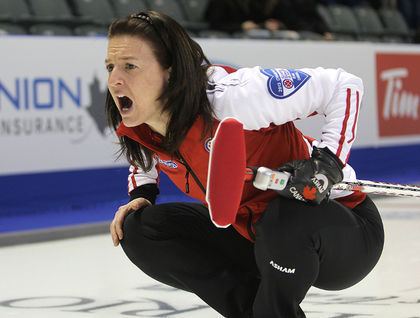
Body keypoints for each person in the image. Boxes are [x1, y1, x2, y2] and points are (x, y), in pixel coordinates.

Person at [106, 11, 384, 318]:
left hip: (343, 234)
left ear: (169, 71)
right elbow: (144, 156)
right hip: (254, 234)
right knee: (141, 229)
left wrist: (327, 164)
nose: (114, 80)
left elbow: (344, 86)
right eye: (111, 67)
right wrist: (142, 194)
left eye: (129, 66)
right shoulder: (139, 121)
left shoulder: (234, 98)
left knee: (282, 213)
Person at [204, 0, 289, 34]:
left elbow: (256, 20)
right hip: (225, 36)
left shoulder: (252, 3)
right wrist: (240, 26)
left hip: (248, 35)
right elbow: (214, 24)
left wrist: (266, 24)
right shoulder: (220, 2)